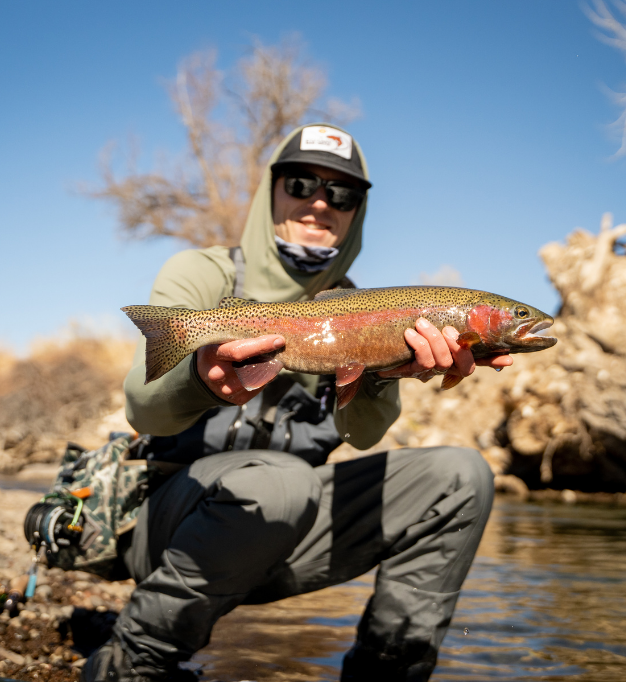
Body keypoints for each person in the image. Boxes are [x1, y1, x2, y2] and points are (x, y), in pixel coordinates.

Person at [84, 124, 513, 682]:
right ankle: (130, 662)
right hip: (176, 530)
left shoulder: (372, 309)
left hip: (292, 532)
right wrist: (201, 377)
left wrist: (385, 373)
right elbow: (144, 410)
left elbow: (362, 436)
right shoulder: (204, 275)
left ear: (357, 211)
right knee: (280, 481)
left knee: (460, 475)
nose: (319, 202)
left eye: (341, 194)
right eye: (301, 182)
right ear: (272, 191)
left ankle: (387, 671)